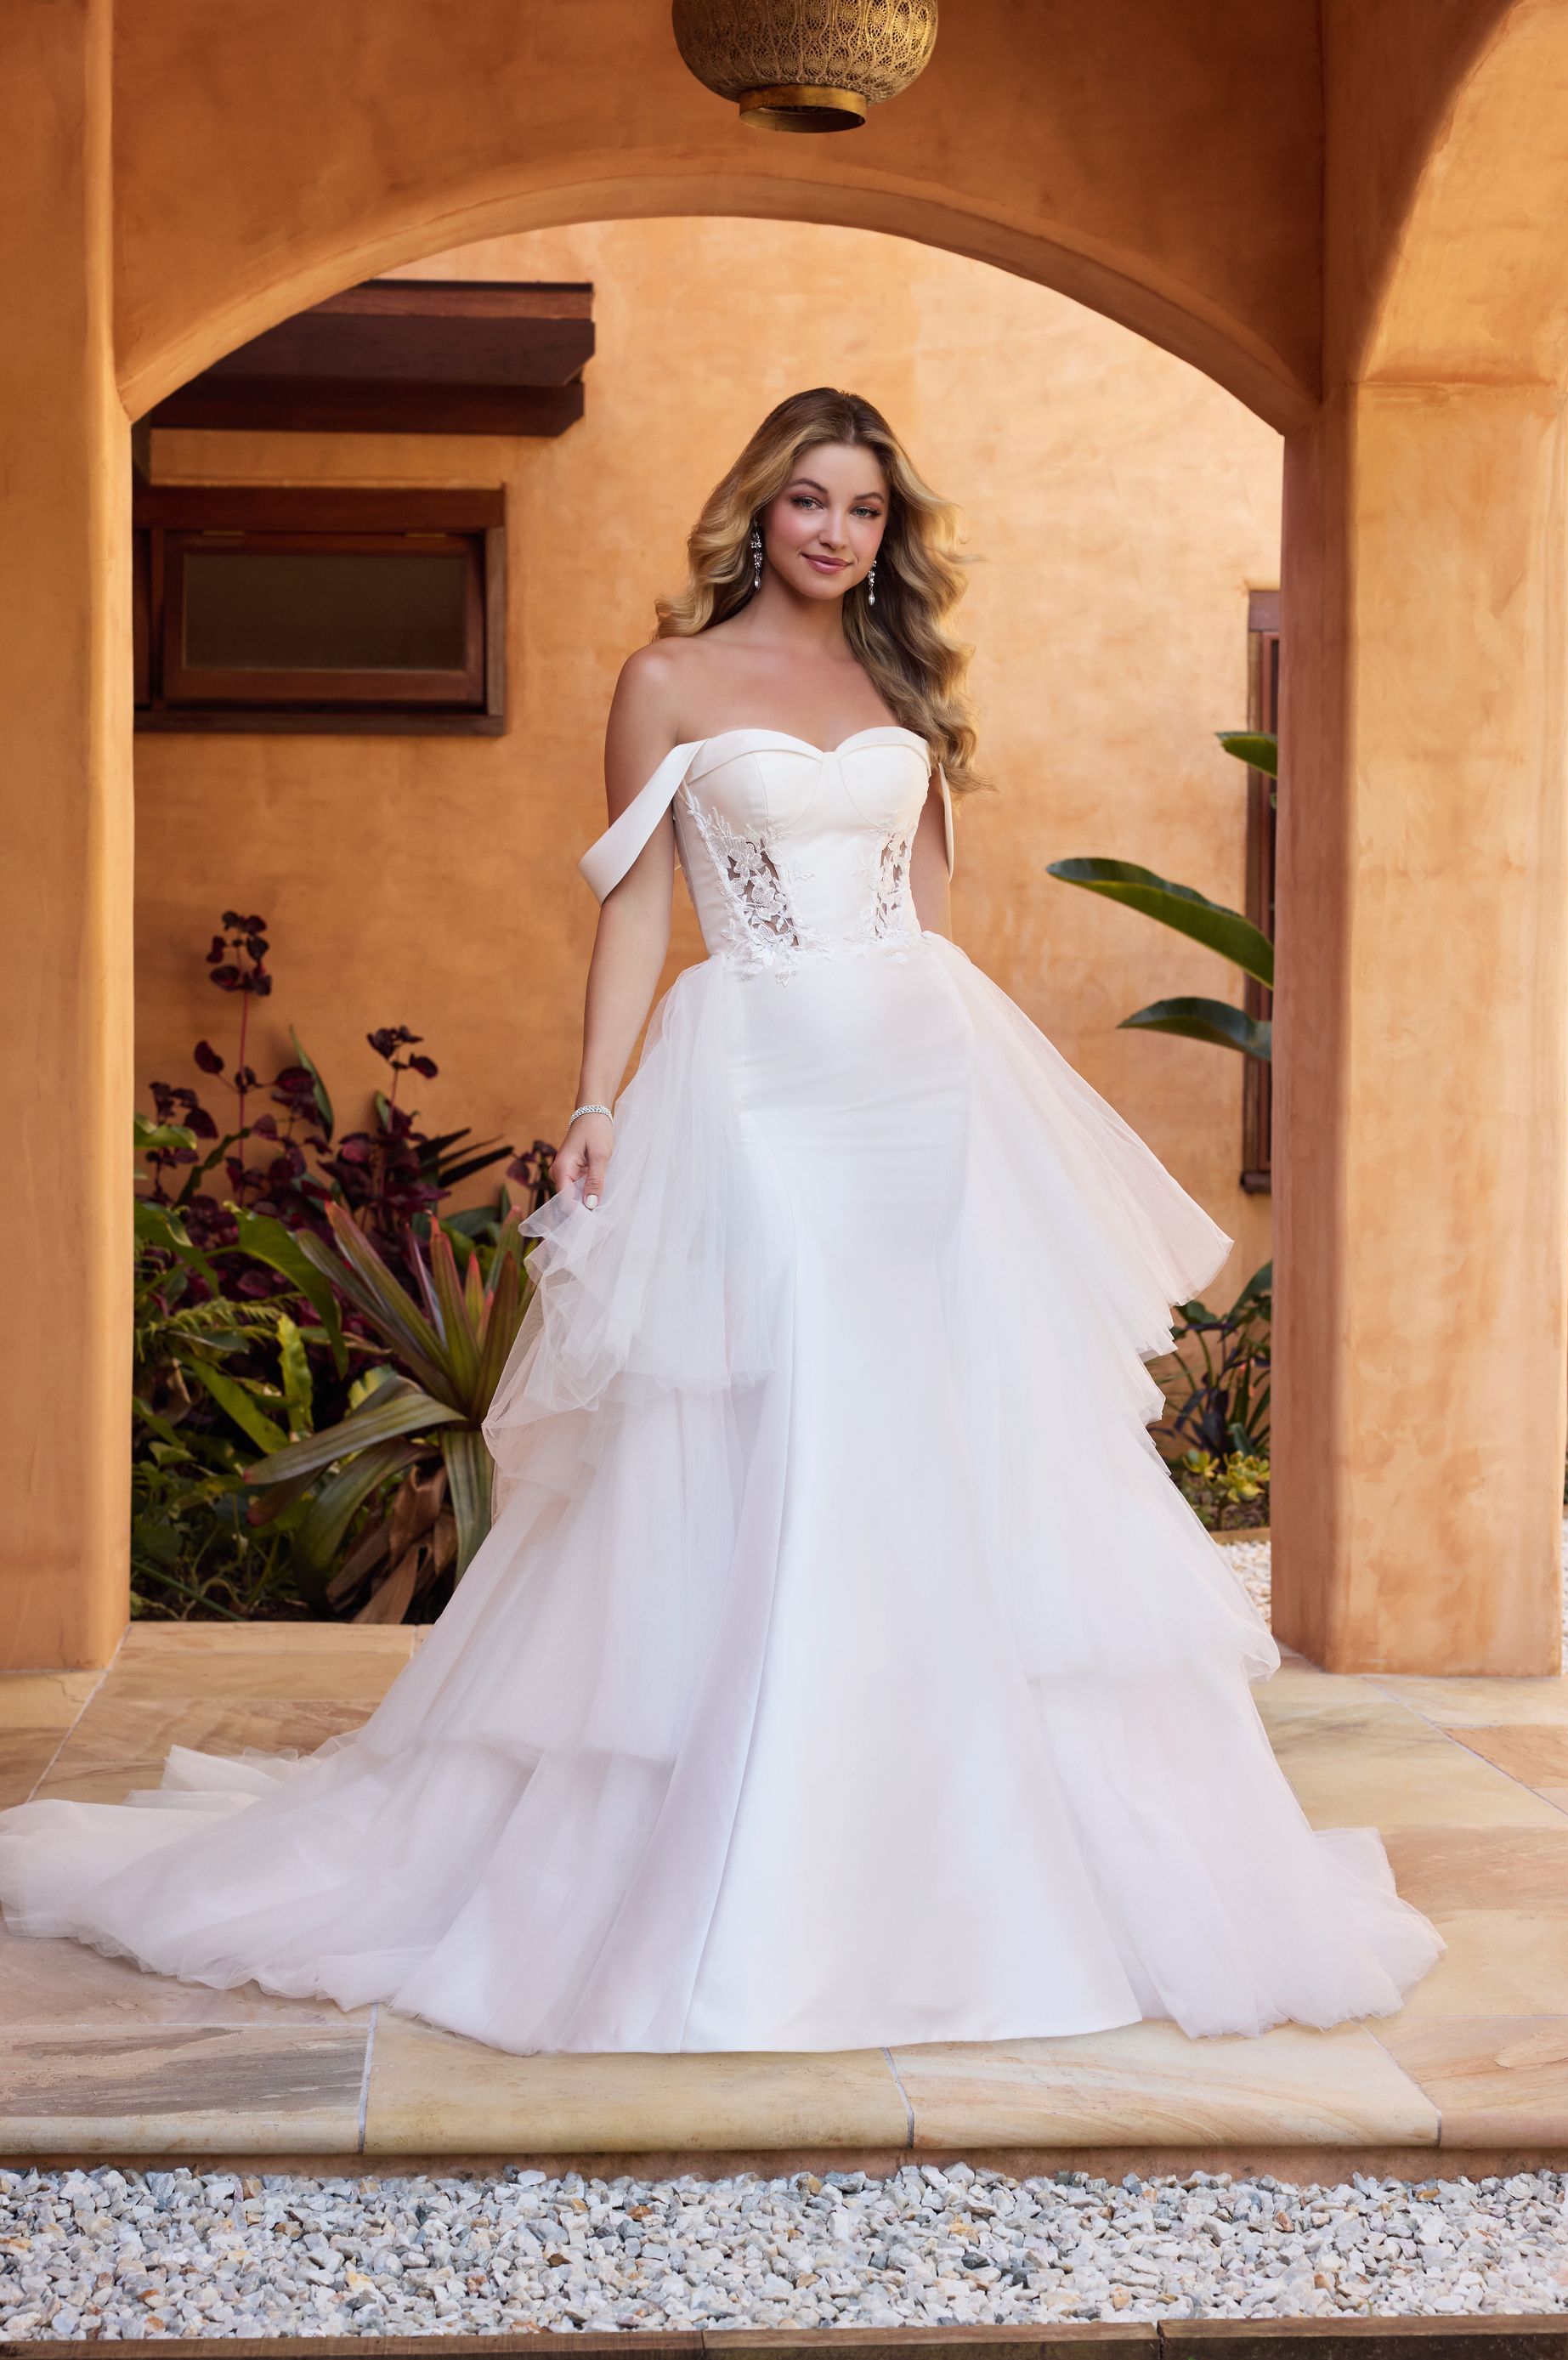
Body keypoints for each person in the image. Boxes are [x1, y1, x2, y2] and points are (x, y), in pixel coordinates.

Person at [0, 388, 1441, 2054]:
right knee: (797, 1411)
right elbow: (632, 908)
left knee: (931, 1430)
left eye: (867, 511)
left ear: (889, 535)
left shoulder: (899, 686)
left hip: (919, 1083)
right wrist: (597, 1098)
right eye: (810, 500)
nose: (836, 531)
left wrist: (970, 1108)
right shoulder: (667, 681)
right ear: (758, 510)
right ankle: (757, 1853)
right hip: (753, 1079)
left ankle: (954, 1838)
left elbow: (934, 922)